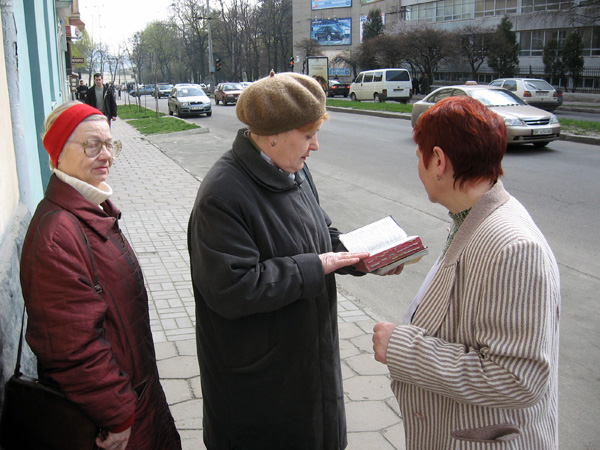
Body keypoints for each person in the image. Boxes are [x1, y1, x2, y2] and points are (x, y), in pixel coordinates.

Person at [187, 71, 384, 449]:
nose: (315, 147)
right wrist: (317, 266)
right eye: (308, 136)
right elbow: (232, 287)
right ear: (272, 134)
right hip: (261, 388)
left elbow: (320, 233)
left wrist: (360, 255)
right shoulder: (223, 194)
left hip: (308, 367)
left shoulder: (292, 168)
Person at [372, 96, 560, 449]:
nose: (419, 166)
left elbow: (517, 378)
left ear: (439, 161)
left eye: (419, 157)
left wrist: (402, 347)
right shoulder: (471, 217)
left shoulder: (513, 247)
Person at [20, 101, 182, 450]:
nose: (106, 154)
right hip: (117, 419)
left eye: (111, 144)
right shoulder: (59, 234)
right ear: (59, 153)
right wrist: (118, 414)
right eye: (92, 145)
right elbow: (72, 346)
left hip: (138, 393)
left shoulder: (90, 209)